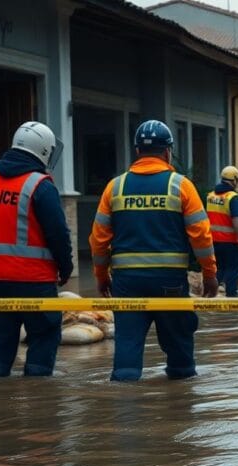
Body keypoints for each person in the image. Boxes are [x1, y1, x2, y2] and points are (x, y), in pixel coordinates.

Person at [89, 120, 218, 382]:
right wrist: (210, 273)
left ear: (138, 151)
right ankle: (181, 406)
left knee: (127, 348)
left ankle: (125, 410)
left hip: (126, 283)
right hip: (169, 281)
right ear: (168, 151)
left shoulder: (115, 187)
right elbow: (201, 237)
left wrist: (101, 276)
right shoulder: (181, 185)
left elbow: (98, 240)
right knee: (180, 351)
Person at [0, 121, 72, 377]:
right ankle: (39, 400)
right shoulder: (41, 186)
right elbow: (58, 234)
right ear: (44, 151)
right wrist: (65, 267)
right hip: (34, 280)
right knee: (43, 336)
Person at [206, 166, 238, 297]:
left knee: (220, 268)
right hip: (230, 241)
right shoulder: (232, 197)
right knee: (233, 269)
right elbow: (236, 220)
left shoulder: (210, 195)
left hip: (213, 240)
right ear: (233, 180)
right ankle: (231, 296)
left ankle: (215, 294)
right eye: (237, 179)